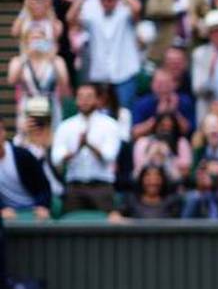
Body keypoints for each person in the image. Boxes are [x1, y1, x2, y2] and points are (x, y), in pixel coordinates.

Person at [68, 0, 144, 111]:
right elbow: (70, 17)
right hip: (100, 73)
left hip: (124, 72)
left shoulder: (124, 13)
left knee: (125, 113)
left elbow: (137, 7)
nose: (107, 2)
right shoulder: (92, 15)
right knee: (100, 113)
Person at [52, 84, 121, 213]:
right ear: (76, 100)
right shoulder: (65, 126)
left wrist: (88, 144)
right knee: (70, 228)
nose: (84, 101)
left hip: (101, 186)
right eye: (80, 97)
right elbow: (56, 158)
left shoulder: (110, 125)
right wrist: (77, 149)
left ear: (97, 100)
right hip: (74, 186)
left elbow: (109, 155)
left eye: (89, 97)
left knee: (107, 230)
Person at [0, 120, 52, 220]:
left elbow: (43, 186)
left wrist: (42, 205)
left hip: (34, 209)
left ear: (4, 132)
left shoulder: (22, 155)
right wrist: (2, 208)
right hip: (7, 213)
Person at [110, 164, 182, 221]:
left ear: (163, 180)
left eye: (157, 178)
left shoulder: (172, 200)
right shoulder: (131, 200)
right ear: (141, 180)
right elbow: (114, 216)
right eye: (148, 178)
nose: (153, 182)